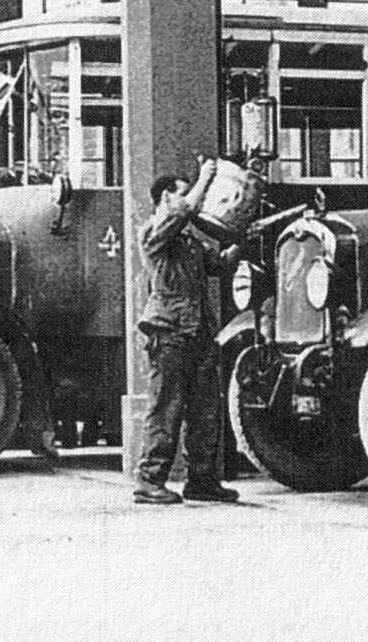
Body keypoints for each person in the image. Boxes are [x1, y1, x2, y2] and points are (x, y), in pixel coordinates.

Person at [133, 160, 240, 505]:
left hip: (197, 332)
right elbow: (187, 208)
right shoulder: (153, 232)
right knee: (166, 409)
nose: (191, 199)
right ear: (166, 197)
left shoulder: (189, 239)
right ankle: (149, 481)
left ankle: (203, 481)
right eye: (181, 191)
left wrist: (238, 243)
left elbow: (219, 266)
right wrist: (206, 177)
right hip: (169, 331)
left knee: (205, 412)